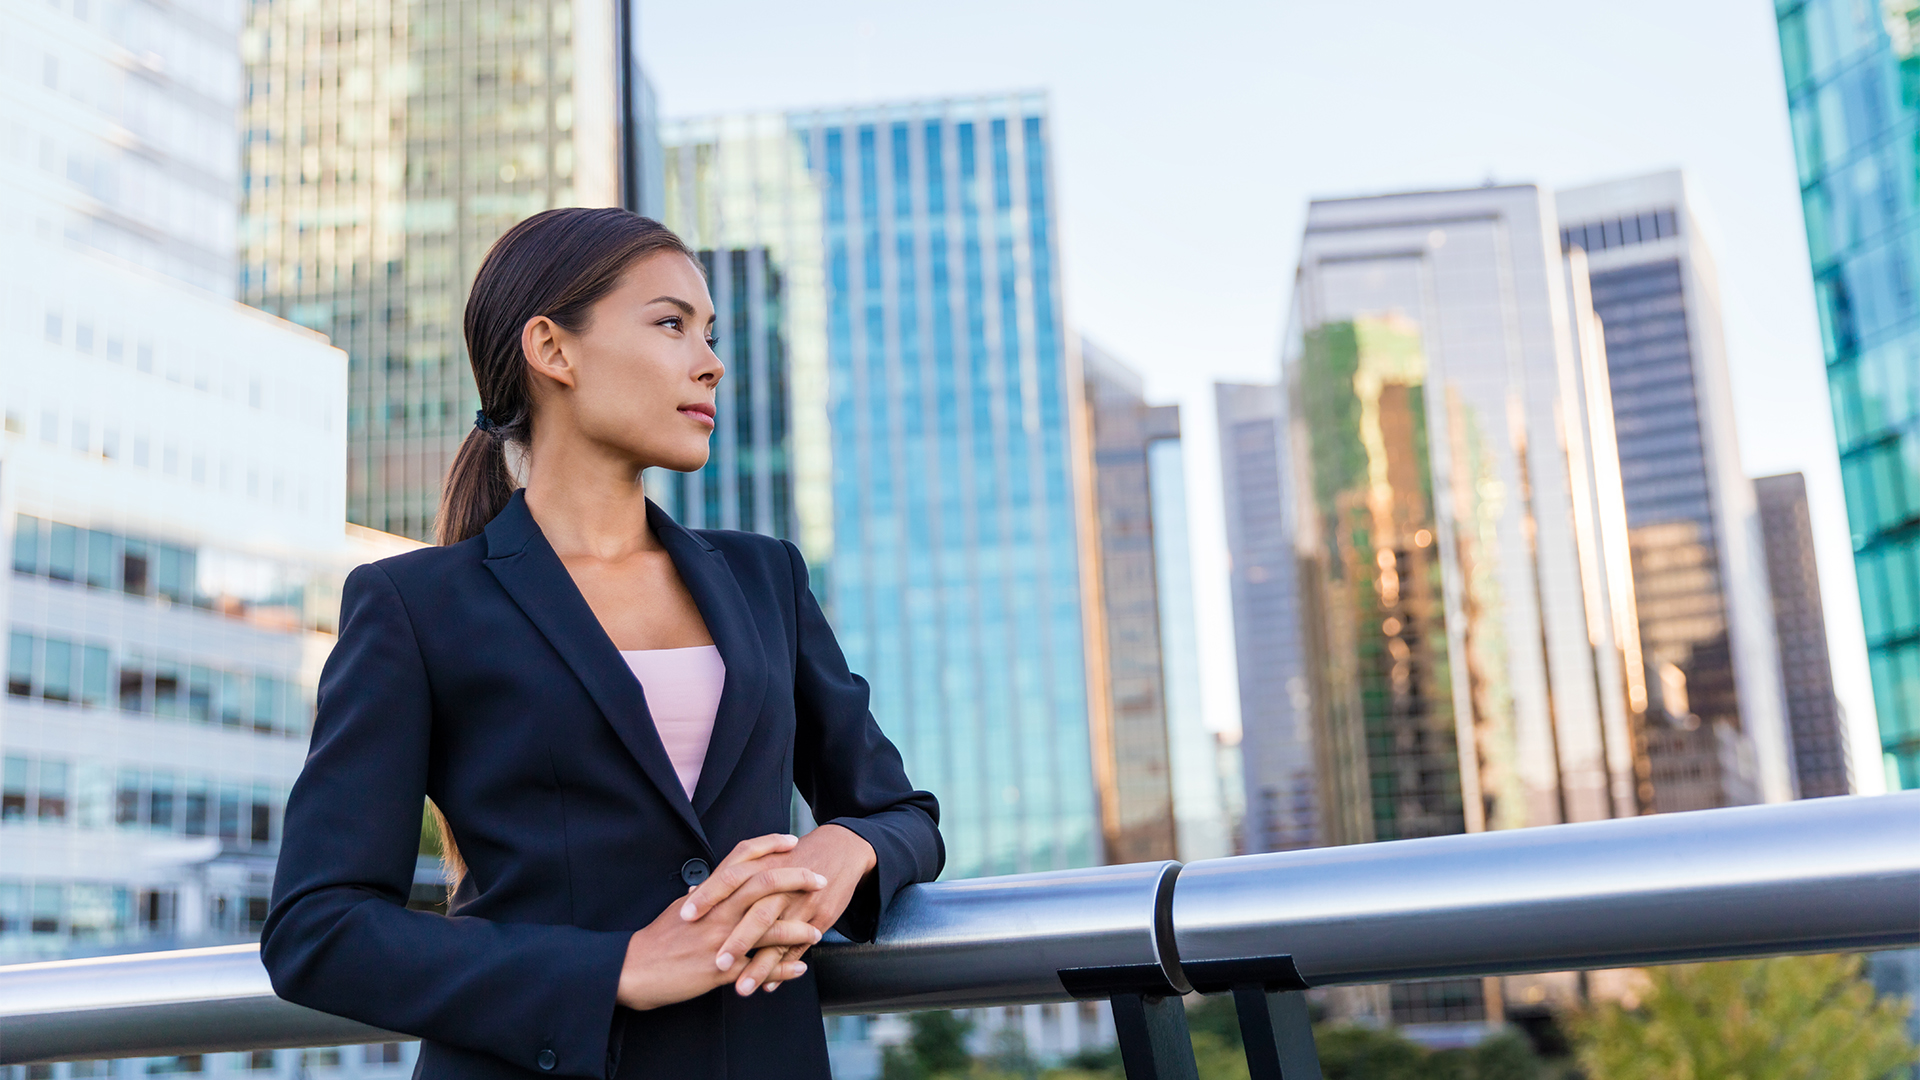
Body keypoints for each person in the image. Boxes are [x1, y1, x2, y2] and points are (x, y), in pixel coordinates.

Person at [260, 207, 944, 1079]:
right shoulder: (412, 604)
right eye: (670, 324)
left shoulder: (763, 578)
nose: (712, 362)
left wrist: (837, 853)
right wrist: (617, 969)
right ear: (553, 350)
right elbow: (317, 930)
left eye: (711, 332)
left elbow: (900, 813)